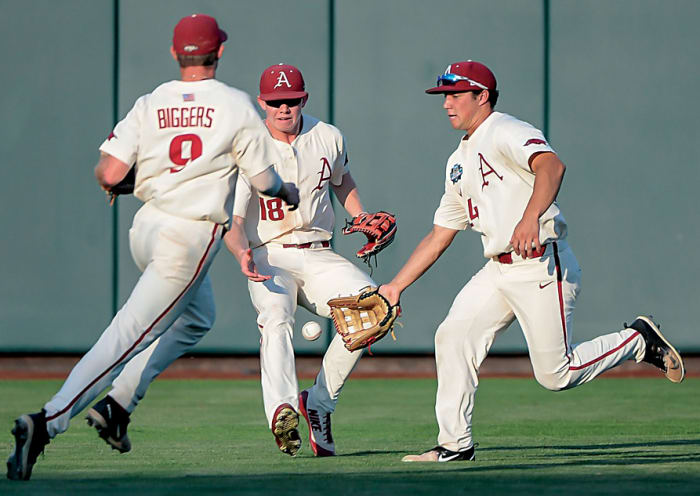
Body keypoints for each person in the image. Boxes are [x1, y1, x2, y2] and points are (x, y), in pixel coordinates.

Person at [6, 14, 298, 481]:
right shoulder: (237, 105)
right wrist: (288, 192)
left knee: (197, 317)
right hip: (187, 238)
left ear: (174, 54)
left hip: (146, 229)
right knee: (125, 338)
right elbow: (264, 182)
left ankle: (117, 406)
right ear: (219, 52)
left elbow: (109, 172)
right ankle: (45, 422)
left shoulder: (152, 101)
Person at [377, 60, 685, 463]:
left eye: (455, 95)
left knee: (556, 374)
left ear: (481, 96)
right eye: (443, 97)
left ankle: (636, 340)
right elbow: (440, 235)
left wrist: (529, 216)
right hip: (498, 269)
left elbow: (551, 166)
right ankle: (455, 444)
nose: (446, 104)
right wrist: (396, 286)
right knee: (452, 336)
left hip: (541, 263)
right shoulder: (457, 161)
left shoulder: (504, 129)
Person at [81, 63, 381, 458]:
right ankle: (283, 412)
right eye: (275, 102)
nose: (284, 109)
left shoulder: (328, 136)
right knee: (276, 315)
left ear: (304, 99)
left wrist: (360, 215)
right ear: (262, 103)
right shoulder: (248, 144)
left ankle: (320, 404)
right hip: (268, 254)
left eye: (291, 100)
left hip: (319, 253)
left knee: (375, 307)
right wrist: (241, 252)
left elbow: (342, 180)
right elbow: (235, 221)